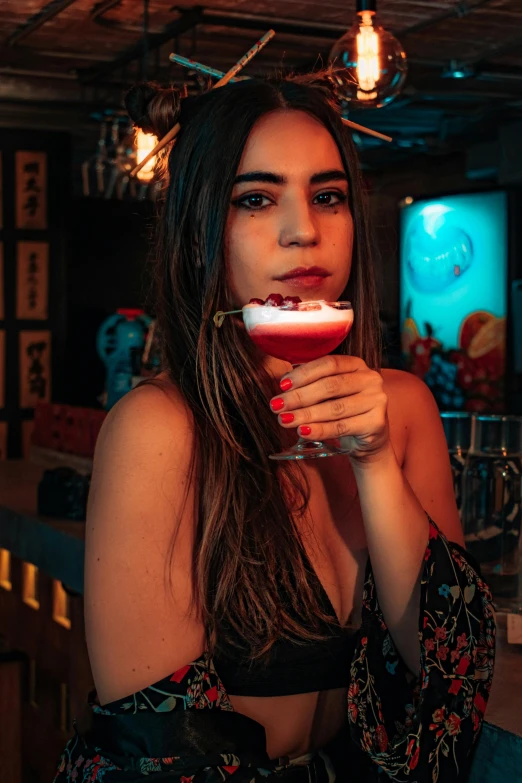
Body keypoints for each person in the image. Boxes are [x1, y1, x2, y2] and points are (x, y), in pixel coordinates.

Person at [54, 72, 495, 783]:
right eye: (255, 199)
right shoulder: (160, 429)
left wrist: (375, 460)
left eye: (328, 196)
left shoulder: (403, 408)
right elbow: (162, 749)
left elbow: (454, 675)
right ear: (201, 232)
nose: (304, 231)